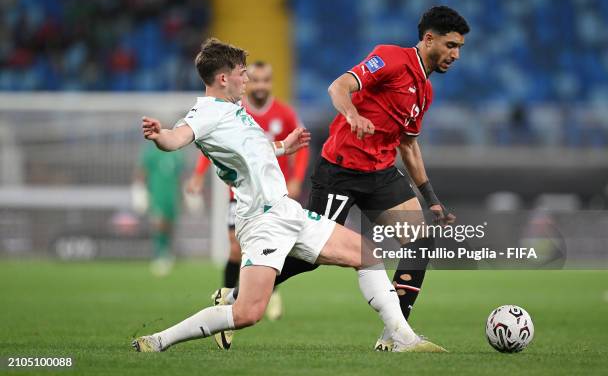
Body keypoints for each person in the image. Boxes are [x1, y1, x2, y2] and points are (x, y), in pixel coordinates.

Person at [132, 37, 445, 353]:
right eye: (243, 72)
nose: (248, 79)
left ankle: (403, 338)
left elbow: (253, 151)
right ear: (224, 78)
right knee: (247, 314)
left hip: (286, 211)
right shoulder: (206, 113)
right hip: (261, 222)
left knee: (365, 254)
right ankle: (160, 340)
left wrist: (284, 146)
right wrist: (162, 136)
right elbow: (177, 138)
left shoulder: (233, 110)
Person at [224, 5, 470, 351]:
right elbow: (338, 87)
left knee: (419, 240)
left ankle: (396, 334)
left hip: (380, 173)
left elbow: (409, 146)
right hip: (340, 170)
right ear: (428, 39)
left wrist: (431, 199)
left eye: (459, 47)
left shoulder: (425, 92)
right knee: (309, 257)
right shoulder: (390, 58)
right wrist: (353, 115)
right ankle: (234, 295)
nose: (456, 54)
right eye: (450, 45)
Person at [186, 61, 309, 326]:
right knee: (234, 248)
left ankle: (267, 291)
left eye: (267, 80)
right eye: (256, 80)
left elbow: (302, 147)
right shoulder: (234, 112)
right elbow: (213, 145)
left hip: (273, 194)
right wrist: (197, 175)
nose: (261, 85)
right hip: (241, 193)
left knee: (276, 247)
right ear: (246, 82)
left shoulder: (284, 113)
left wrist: (297, 178)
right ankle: (226, 302)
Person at [133, 141, 185, 276]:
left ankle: (168, 253)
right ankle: (160, 255)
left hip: (172, 195)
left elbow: (180, 175)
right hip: (157, 193)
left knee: (169, 225)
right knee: (159, 223)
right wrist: (139, 191)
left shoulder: (176, 153)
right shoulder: (152, 152)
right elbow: (142, 171)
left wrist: (185, 194)